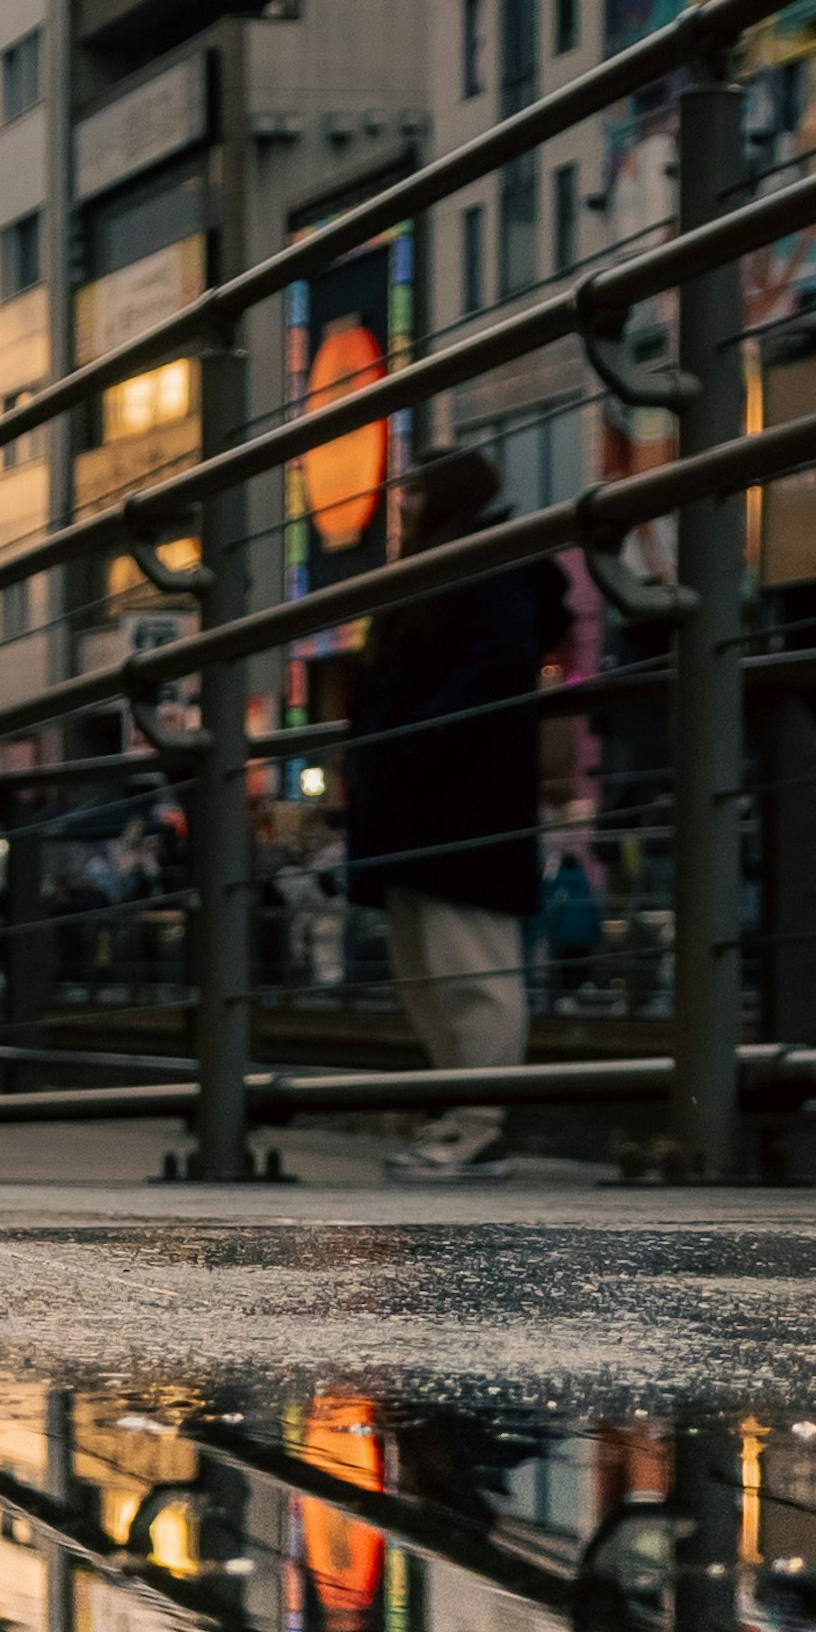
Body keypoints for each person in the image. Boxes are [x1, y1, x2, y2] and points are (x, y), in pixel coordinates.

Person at [341, 444, 555, 1171]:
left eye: (414, 491)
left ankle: (478, 1120)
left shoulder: (484, 562)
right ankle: (463, 1115)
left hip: (458, 803)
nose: (400, 504)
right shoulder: (456, 566)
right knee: (431, 971)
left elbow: (493, 666)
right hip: (429, 803)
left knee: (468, 968)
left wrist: (412, 738)